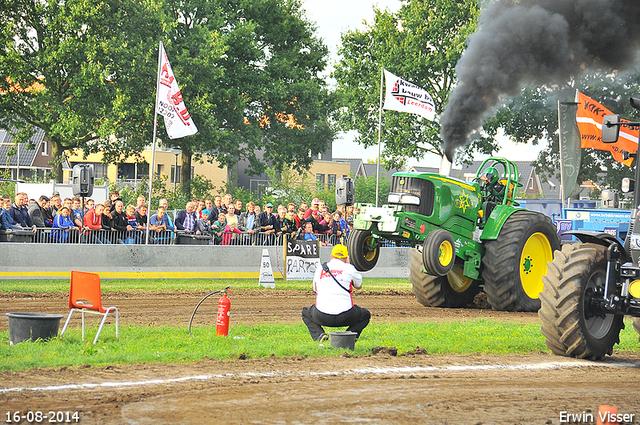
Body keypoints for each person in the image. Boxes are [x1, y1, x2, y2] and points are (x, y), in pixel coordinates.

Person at [301, 244, 370, 342]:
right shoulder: (350, 268)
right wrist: (348, 264)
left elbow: (315, 289)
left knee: (306, 313)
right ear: (346, 257)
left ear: (331, 256)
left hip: (321, 315)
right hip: (346, 316)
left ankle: (319, 335)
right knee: (365, 315)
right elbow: (359, 286)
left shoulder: (320, 269)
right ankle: (349, 335)